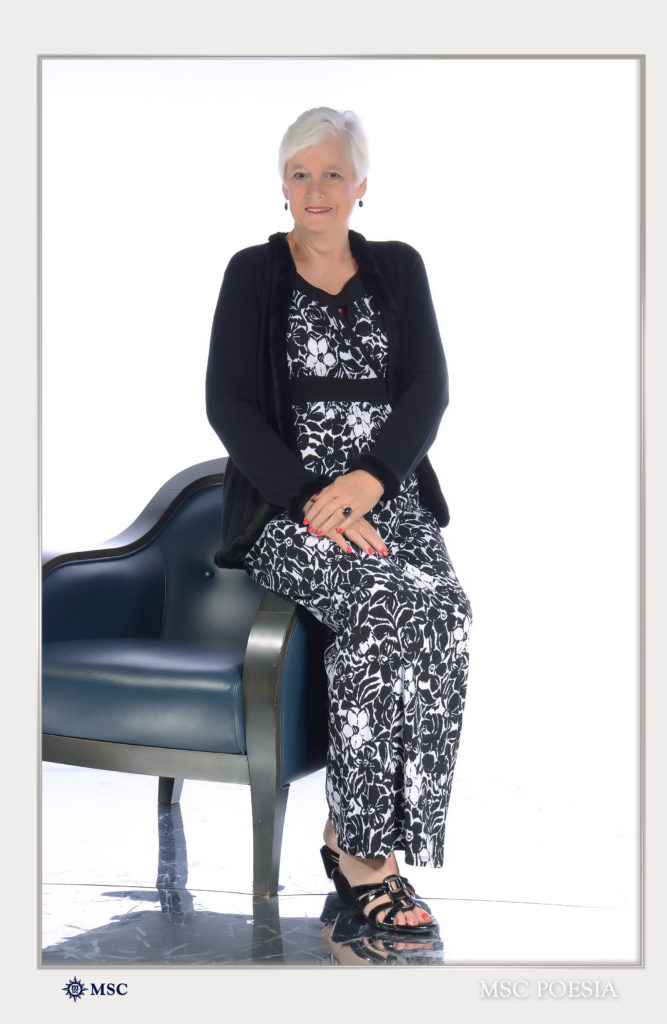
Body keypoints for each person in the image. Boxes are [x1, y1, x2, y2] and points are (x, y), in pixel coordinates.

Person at [206, 106, 472, 934]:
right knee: (385, 609)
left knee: (446, 616)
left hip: (388, 496)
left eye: (331, 174)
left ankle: (368, 834)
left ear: (361, 186)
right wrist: (310, 497)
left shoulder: (400, 267)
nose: (315, 191)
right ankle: (362, 857)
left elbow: (429, 389)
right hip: (293, 509)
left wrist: (370, 479)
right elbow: (230, 404)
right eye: (299, 173)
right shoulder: (254, 272)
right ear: (282, 186)